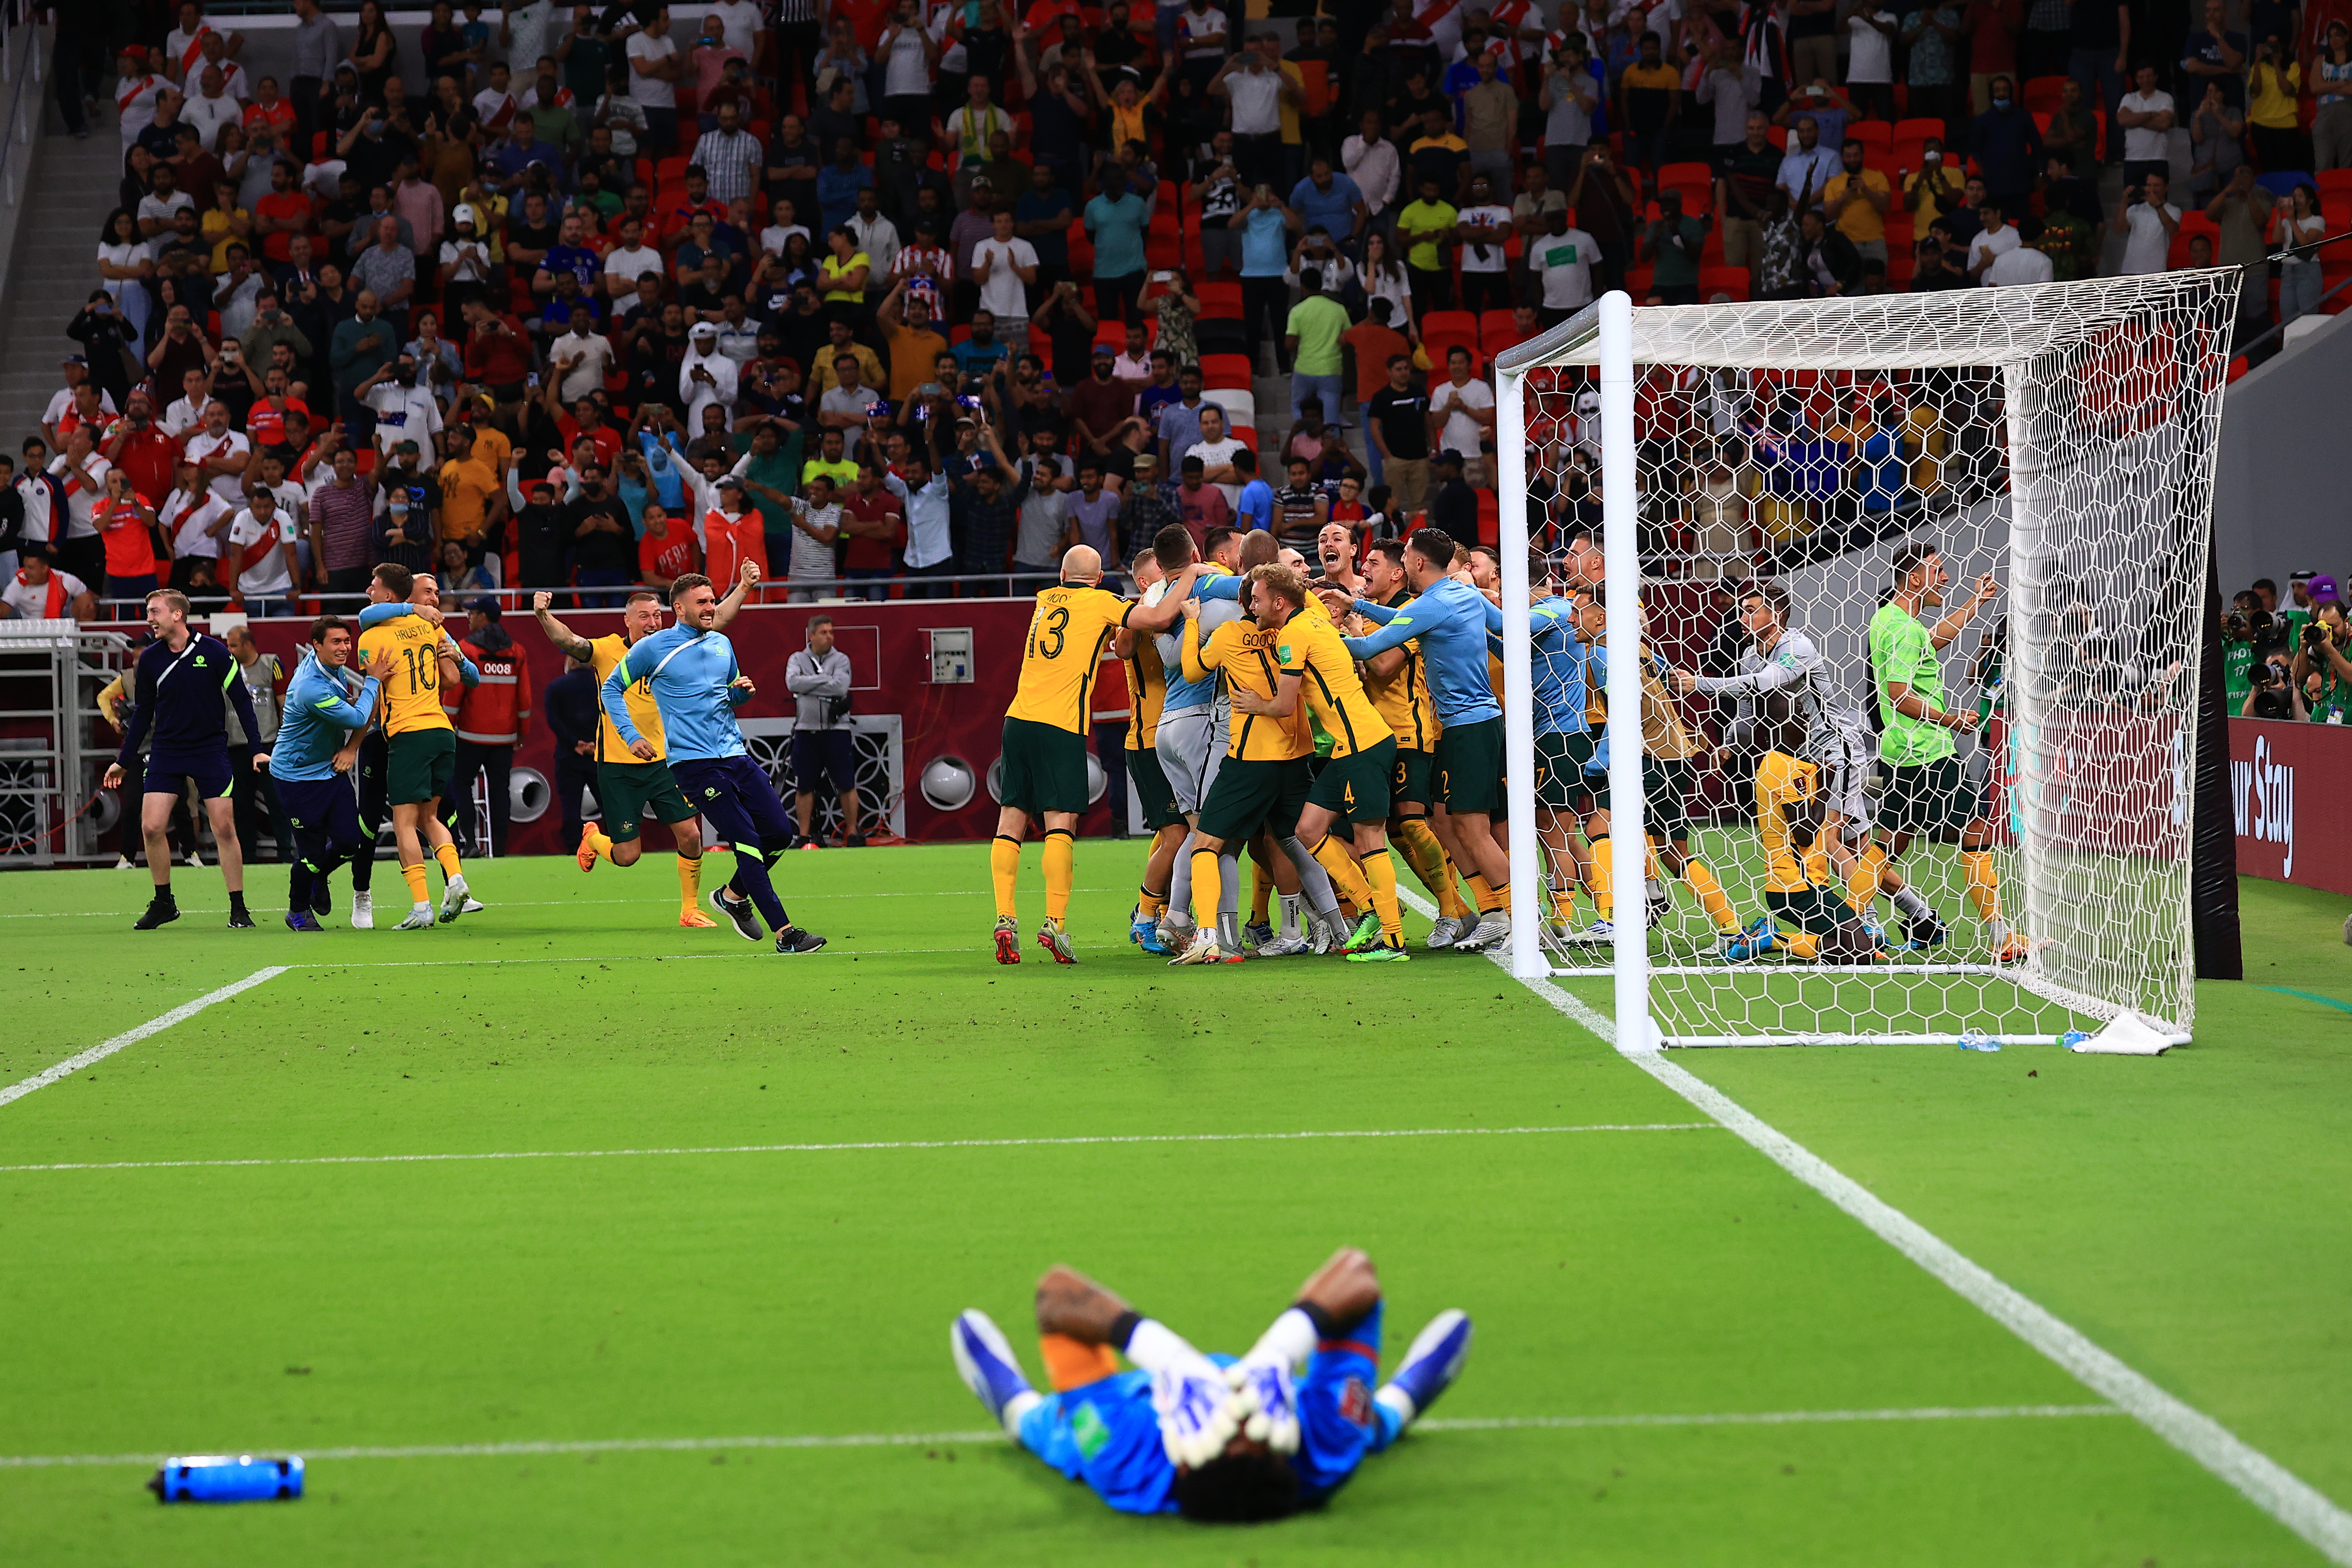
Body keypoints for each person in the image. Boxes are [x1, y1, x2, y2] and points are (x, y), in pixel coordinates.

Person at [949, 1247, 1471, 1522]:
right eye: (1255, 1429)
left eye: (1229, 1430)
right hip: (1312, 1418)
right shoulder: (1320, 1448)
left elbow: (1056, 1297)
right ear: (1283, 1450)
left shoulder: (1127, 1457)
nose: (1237, 1407)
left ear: (1185, 1460)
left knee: (1062, 1433)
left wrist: (1166, 1356)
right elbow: (1357, 1273)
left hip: (1136, 1412)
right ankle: (1397, 1406)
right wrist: (1279, 1351)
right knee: (1358, 1425)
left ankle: (1015, 1408)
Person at [994, 543, 1202, 963]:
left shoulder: (1043, 600)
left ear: (1062, 576)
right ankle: (1055, 924)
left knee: (1011, 819)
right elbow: (1159, 618)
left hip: (1017, 720)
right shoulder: (1101, 602)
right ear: (1099, 578)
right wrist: (1192, 575)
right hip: (1061, 724)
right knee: (1060, 823)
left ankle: (1005, 918)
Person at [599, 573, 827, 953]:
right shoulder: (653, 648)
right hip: (694, 765)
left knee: (779, 835)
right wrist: (631, 735)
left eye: (712, 600)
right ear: (679, 608)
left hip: (735, 755)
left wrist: (741, 694)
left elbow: (727, 695)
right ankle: (786, 934)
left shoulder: (722, 643)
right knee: (747, 841)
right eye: (702, 602)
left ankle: (732, 896)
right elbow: (611, 689)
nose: (710, 608)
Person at [1328, 527, 1514, 949]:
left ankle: (1520, 918)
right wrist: (1355, 604)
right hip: (1470, 724)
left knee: (1473, 829)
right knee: (1453, 824)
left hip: (1468, 726)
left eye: (1407, 554)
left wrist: (1320, 637)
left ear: (1416, 562)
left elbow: (1368, 650)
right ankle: (1494, 914)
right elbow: (1499, 626)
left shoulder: (1432, 604)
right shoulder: (1460, 595)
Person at [537, 573, 746, 924]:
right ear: (628, 620)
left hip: (665, 761)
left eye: (658, 615)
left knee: (691, 835)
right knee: (627, 856)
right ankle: (593, 839)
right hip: (618, 766)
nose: (653, 622)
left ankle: (690, 909)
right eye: (644, 616)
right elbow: (569, 640)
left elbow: (716, 618)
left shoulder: (672, 645)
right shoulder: (606, 650)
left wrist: (744, 587)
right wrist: (543, 615)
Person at [1869, 543, 2024, 962]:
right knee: (1977, 833)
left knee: (1886, 847)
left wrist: (1975, 603)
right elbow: (1900, 696)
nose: (1945, 578)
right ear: (1914, 577)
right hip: (1928, 751)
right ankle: (2003, 940)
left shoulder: (1891, 620)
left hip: (1901, 751)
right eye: (1937, 570)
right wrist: (1951, 720)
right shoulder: (1904, 629)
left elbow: (1933, 640)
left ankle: (1847, 930)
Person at [101, 588, 265, 930]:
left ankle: (238, 908)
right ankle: (164, 902)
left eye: (155, 611)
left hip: (210, 750)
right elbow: (143, 713)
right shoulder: (150, 660)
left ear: (177, 615)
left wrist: (256, 748)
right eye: (148, 611)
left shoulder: (215, 652)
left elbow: (242, 701)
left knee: (224, 827)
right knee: (151, 827)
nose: (150, 618)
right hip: (166, 751)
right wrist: (124, 760)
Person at [354, 565, 481, 929]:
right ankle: (456, 880)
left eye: (374, 586)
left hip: (407, 733)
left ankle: (422, 906)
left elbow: (373, 688)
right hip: (441, 730)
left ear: (389, 595)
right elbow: (457, 676)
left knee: (403, 823)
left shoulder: (370, 637)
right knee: (431, 818)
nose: (369, 591)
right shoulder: (431, 627)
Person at [267, 614, 392, 929]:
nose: (344, 648)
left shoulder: (329, 667)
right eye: (336, 642)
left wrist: (351, 746)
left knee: (350, 842)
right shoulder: (310, 687)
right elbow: (359, 717)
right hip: (296, 777)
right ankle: (297, 912)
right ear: (316, 645)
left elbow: (359, 710)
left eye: (347, 641)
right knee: (309, 854)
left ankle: (318, 875)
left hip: (330, 768)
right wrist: (373, 680)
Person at [444, 597, 528, 857]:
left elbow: (454, 695)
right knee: (500, 792)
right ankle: (499, 849)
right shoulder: (517, 652)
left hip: (469, 736)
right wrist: (522, 733)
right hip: (504, 738)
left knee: (461, 785)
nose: (468, 616)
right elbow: (525, 699)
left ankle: (470, 843)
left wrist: (447, 728)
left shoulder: (465, 650)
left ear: (483, 616)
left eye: (472, 612)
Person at [786, 614, 863, 847]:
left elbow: (841, 687)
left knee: (846, 783)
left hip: (837, 730)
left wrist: (807, 684)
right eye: (824, 633)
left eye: (831, 632)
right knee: (804, 785)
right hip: (806, 730)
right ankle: (804, 836)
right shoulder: (797, 658)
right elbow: (792, 683)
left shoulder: (841, 659)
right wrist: (824, 680)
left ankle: (852, 833)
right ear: (811, 635)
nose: (829, 637)